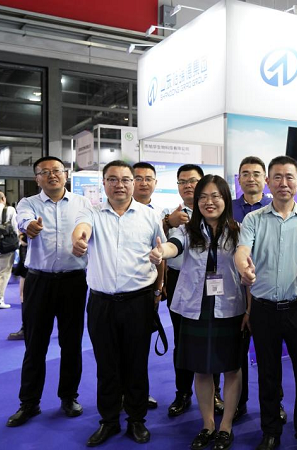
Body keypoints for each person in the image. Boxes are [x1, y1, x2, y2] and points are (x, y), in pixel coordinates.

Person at [72, 160, 166, 446]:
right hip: (101, 303)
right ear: (104, 184)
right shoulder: (91, 213)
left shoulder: (149, 216)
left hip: (138, 301)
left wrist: (158, 289)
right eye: (112, 179)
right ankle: (109, 420)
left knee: (137, 363)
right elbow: (82, 230)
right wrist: (79, 240)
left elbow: (160, 253)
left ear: (133, 183)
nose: (119, 185)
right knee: (106, 364)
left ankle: (136, 420)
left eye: (125, 179)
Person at [150, 174, 245, 450]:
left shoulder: (238, 230)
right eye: (203, 197)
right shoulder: (187, 230)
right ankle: (208, 424)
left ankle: (226, 426)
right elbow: (174, 246)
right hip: (196, 308)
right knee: (201, 369)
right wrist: (162, 252)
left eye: (215, 196)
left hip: (230, 307)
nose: (208, 202)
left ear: (226, 199)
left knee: (231, 367)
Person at [236, 156, 297, 450]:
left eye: (289, 177)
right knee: (268, 373)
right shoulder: (254, 219)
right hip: (264, 309)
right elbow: (242, 250)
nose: (283, 183)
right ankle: (270, 431)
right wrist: (244, 268)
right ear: (268, 182)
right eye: (277, 177)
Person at [5, 156, 91, 427]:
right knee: (35, 345)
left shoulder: (82, 203)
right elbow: (24, 221)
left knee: (71, 343)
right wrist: (29, 227)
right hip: (38, 282)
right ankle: (29, 403)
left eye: (56, 171)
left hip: (73, 282)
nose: (52, 175)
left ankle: (69, 397)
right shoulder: (28, 203)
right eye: (45, 172)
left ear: (65, 174)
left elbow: (87, 228)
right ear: (37, 178)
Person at [230, 156, 277, 421]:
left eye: (256, 173)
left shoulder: (274, 207)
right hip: (232, 289)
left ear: (265, 179)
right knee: (236, 352)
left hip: (265, 291)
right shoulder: (228, 208)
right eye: (245, 174)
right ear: (239, 179)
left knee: (268, 356)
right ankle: (238, 402)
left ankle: (274, 405)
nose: (251, 178)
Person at [161, 164, 206, 418]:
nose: (188, 185)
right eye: (182, 181)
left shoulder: (214, 209)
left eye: (193, 180)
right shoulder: (169, 213)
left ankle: (214, 393)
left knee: (210, 337)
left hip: (210, 281)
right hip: (178, 279)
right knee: (182, 340)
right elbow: (161, 241)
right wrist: (169, 222)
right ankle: (183, 392)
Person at [132, 162, 163, 410]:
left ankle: (138, 396)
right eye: (138, 178)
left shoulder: (157, 214)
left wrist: (158, 288)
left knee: (139, 348)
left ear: (155, 183)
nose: (144, 183)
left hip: (144, 291)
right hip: (112, 293)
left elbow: (161, 253)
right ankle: (117, 398)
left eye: (148, 178)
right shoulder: (107, 211)